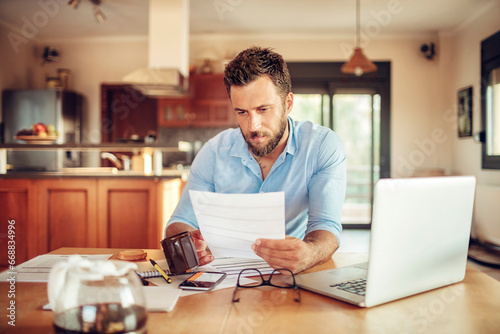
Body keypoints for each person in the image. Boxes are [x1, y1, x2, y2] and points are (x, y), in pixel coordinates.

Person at [165, 47, 346, 274]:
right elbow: (180, 220)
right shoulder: (213, 152)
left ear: (288, 103)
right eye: (242, 112)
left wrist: (309, 253)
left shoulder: (322, 146)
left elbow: (326, 226)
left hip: (291, 274)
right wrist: (185, 247)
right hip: (225, 276)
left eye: (263, 109)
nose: (253, 126)